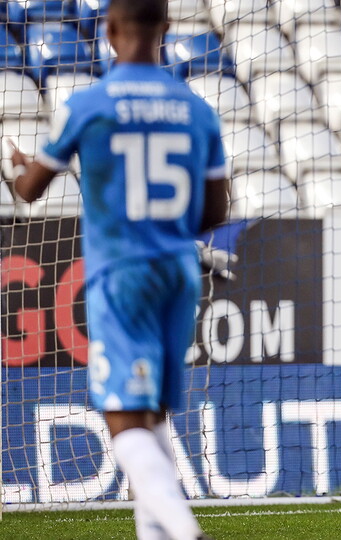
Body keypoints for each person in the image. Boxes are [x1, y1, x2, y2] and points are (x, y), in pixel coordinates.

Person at [7, 1, 228, 538]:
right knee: (151, 420)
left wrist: (15, 166)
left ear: (107, 31)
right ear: (166, 29)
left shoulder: (87, 104)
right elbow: (216, 213)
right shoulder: (197, 109)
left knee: (124, 425)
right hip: (179, 270)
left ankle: (186, 531)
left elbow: (30, 191)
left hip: (121, 274)